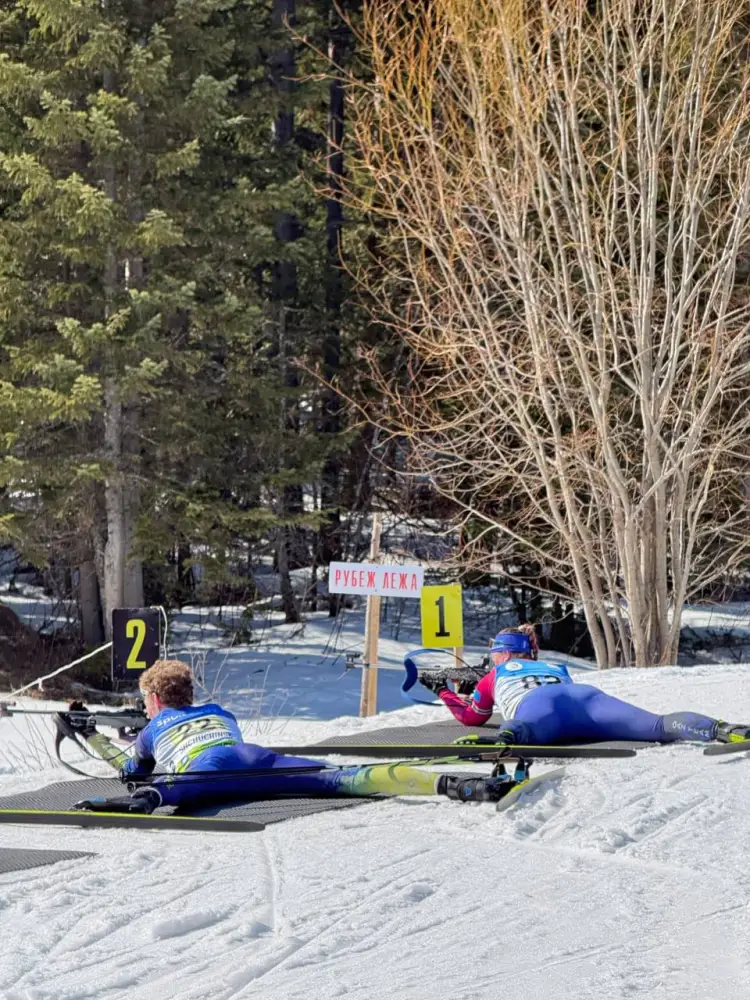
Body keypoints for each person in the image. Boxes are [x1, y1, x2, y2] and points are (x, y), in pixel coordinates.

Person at [60, 659, 513, 812]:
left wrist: (85, 734)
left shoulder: (155, 725)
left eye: (145, 703)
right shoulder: (221, 711)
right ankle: (457, 784)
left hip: (208, 773)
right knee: (351, 776)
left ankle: (148, 806)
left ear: (154, 702)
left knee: (161, 789)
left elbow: (129, 769)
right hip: (255, 758)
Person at [419, 625, 750, 746]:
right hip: (585, 698)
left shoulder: (496, 675)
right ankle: (722, 729)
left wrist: (443, 691)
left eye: (496, 653)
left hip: (540, 707)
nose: (493, 660)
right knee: (660, 725)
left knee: (521, 727)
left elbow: (472, 717)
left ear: (504, 654)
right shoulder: (552, 663)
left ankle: (505, 740)